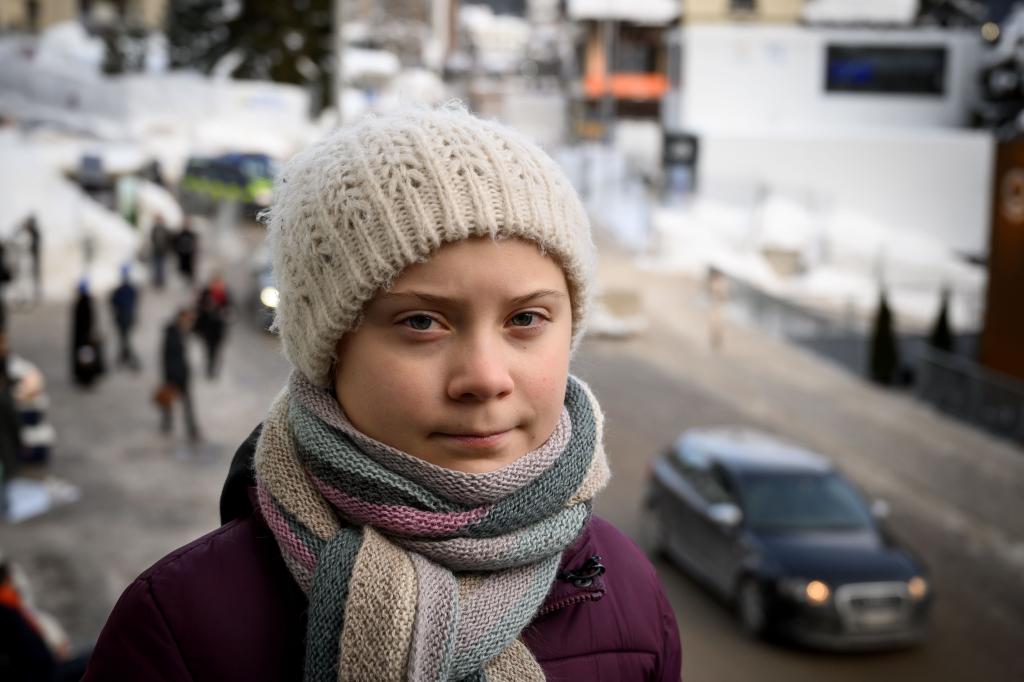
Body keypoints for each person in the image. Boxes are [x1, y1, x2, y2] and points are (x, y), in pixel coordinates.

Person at [83, 106, 682, 681]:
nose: (485, 377)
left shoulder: (625, 590)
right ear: (330, 347)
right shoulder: (182, 626)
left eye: (525, 319)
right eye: (422, 322)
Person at [159, 307, 199, 442]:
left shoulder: (181, 332)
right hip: (175, 375)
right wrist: (170, 377)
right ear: (181, 318)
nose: (189, 322)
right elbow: (167, 357)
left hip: (182, 373)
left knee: (186, 404)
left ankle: (191, 429)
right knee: (172, 401)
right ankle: (169, 424)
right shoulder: (172, 333)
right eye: (187, 319)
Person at [193, 271, 231, 379]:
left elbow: (230, 308)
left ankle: (213, 368)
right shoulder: (206, 292)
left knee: (216, 350)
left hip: (218, 329)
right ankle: (209, 368)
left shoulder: (224, 294)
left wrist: (223, 312)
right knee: (209, 350)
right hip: (207, 329)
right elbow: (198, 308)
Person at [70, 280, 103, 388]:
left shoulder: (83, 302)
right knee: (86, 356)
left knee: (86, 357)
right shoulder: (86, 302)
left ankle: (86, 377)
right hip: (83, 336)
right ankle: (85, 377)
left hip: (83, 337)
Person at [109, 265, 140, 370]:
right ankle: (125, 357)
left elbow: (113, 302)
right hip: (126, 318)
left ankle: (127, 358)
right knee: (125, 339)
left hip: (123, 318)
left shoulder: (121, 290)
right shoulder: (130, 290)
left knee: (124, 339)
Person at [173, 218, 199, 287]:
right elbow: (176, 242)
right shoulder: (181, 234)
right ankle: (183, 281)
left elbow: (194, 244)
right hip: (182, 253)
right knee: (182, 268)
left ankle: (189, 281)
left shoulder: (191, 234)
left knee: (189, 269)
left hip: (189, 254)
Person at [22, 215, 41, 303]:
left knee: (33, 276)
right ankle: (33, 294)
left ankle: (35, 294)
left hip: (33, 257)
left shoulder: (35, 232)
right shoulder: (33, 231)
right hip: (31, 257)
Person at [150, 215, 170, 289]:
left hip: (163, 251)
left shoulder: (165, 229)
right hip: (156, 251)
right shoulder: (154, 229)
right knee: (156, 266)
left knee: (162, 266)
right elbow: (152, 238)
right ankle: (156, 280)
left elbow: (168, 240)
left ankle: (161, 280)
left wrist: (166, 249)